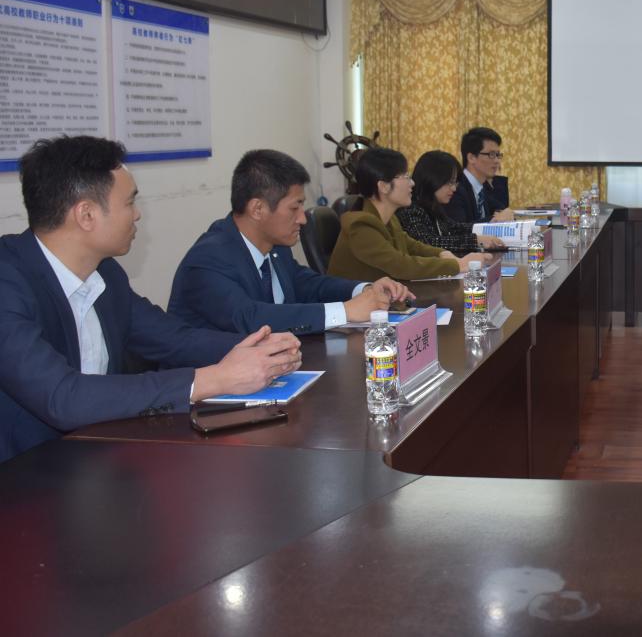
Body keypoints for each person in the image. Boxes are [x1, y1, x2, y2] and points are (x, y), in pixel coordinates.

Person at [0, 136, 301, 463]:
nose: (137, 214)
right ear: (86, 215)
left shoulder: (106, 273)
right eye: (129, 203)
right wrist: (213, 379)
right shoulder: (8, 283)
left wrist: (262, 349)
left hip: (95, 456)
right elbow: (63, 398)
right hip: (24, 472)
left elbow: (173, 338)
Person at [169, 150, 414, 335]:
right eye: (294, 208)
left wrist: (364, 290)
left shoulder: (275, 247)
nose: (302, 219)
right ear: (257, 209)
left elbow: (307, 284)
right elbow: (250, 317)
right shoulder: (208, 260)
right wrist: (346, 311)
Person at [327, 147, 486, 282]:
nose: (412, 183)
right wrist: (458, 265)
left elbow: (412, 246)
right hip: (355, 305)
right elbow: (402, 266)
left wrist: (442, 253)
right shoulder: (361, 226)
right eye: (406, 177)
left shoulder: (389, 219)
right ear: (384, 186)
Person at [398, 151, 506, 254]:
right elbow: (429, 243)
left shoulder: (433, 208)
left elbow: (456, 228)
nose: (454, 188)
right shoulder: (411, 210)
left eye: (455, 183)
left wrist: (489, 225)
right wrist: (475, 240)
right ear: (432, 179)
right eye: (450, 182)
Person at [445, 126, 515, 225]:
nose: (497, 161)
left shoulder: (483, 188)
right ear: (471, 158)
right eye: (491, 154)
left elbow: (502, 210)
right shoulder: (455, 189)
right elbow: (459, 229)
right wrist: (493, 220)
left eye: (498, 155)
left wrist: (505, 214)